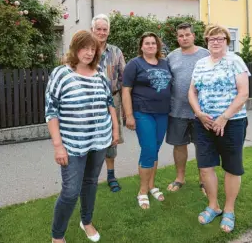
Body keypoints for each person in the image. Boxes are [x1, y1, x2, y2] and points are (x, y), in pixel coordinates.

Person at [45, 30, 119, 243]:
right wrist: (58, 146)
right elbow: (51, 112)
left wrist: (114, 130)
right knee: (70, 192)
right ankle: (57, 236)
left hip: (99, 141)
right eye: (84, 48)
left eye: (92, 49)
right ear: (75, 49)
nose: (88, 53)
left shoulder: (99, 74)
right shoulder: (61, 73)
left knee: (91, 183)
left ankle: (86, 221)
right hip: (72, 145)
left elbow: (109, 103)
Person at [188, 24, 250, 233]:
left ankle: (229, 210)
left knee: (232, 167)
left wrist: (224, 117)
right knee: (205, 166)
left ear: (226, 41)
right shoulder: (200, 64)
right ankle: (213, 205)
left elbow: (243, 93)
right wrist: (198, 113)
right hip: (204, 123)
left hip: (232, 123)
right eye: (211, 38)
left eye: (220, 38)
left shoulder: (235, 61)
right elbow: (192, 92)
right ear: (207, 42)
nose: (215, 42)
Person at [122, 32, 172, 209]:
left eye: (153, 43)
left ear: (157, 46)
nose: (151, 46)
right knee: (149, 149)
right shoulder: (134, 64)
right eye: (147, 43)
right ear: (141, 46)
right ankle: (142, 191)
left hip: (163, 113)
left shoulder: (165, 64)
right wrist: (129, 115)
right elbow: (126, 90)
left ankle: (152, 185)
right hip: (143, 113)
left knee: (155, 150)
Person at [165, 23, 210, 195]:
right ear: (177, 38)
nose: (184, 38)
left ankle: (204, 180)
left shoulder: (205, 54)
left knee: (202, 146)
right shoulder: (171, 57)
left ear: (193, 36)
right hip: (177, 110)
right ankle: (179, 178)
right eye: (180, 35)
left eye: (187, 35)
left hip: (201, 112)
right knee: (179, 145)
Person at [91, 14, 126, 193]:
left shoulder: (116, 52)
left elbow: (124, 79)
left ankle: (111, 175)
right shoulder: (85, 49)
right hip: (90, 101)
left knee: (113, 137)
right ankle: (90, 177)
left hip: (113, 99)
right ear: (92, 30)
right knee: (91, 136)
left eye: (105, 29)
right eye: (99, 29)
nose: (102, 32)